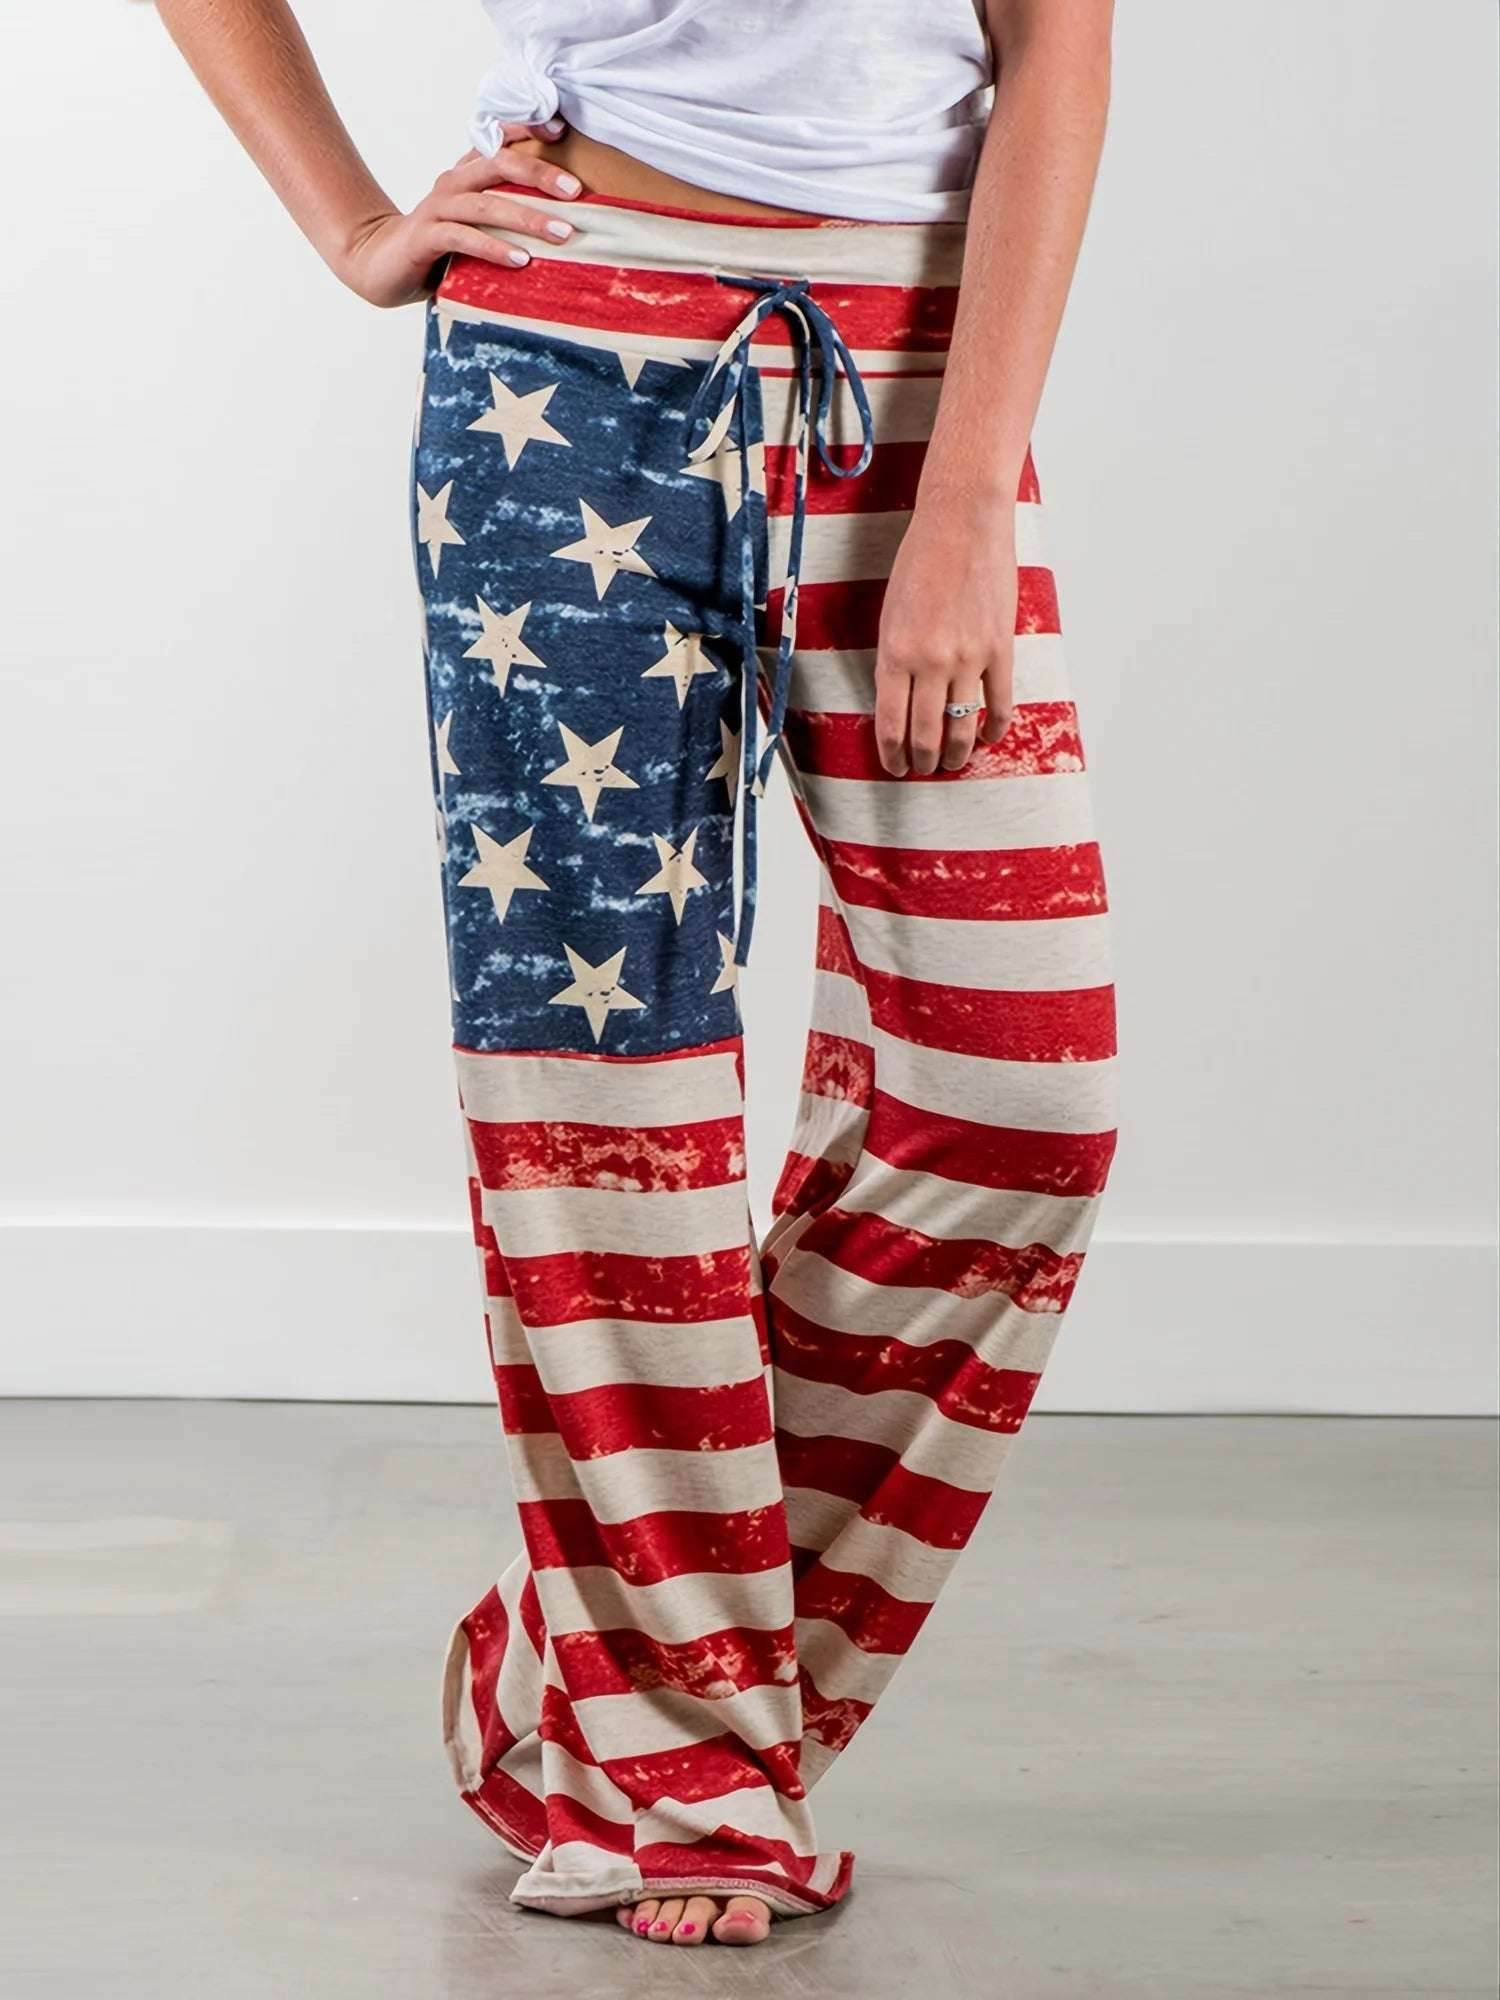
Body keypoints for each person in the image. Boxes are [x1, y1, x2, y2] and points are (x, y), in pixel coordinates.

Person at [155, 0, 1118, 1951]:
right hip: (562, 365)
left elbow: (1059, 49)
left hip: (905, 389)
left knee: (1021, 1102)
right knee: (608, 1103)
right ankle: (685, 1768)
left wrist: (963, 496)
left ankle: (586, 1671)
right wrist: (355, 225)